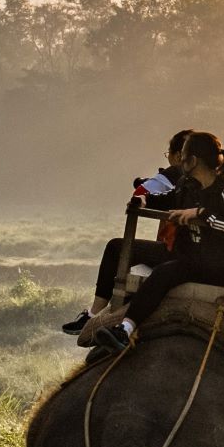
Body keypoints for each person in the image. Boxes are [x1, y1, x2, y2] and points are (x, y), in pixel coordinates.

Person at [93, 131, 224, 384]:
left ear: (193, 160)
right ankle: (125, 329)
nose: (179, 161)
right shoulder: (187, 186)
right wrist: (144, 200)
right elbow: (168, 200)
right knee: (162, 274)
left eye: (184, 156)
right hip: (194, 260)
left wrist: (199, 214)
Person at [61, 128, 197, 334]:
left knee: (116, 247)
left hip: (180, 252)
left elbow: (141, 193)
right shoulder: (223, 182)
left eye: (169, 154)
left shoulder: (179, 178)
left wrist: (145, 185)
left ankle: (93, 314)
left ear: (180, 156)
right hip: (207, 255)